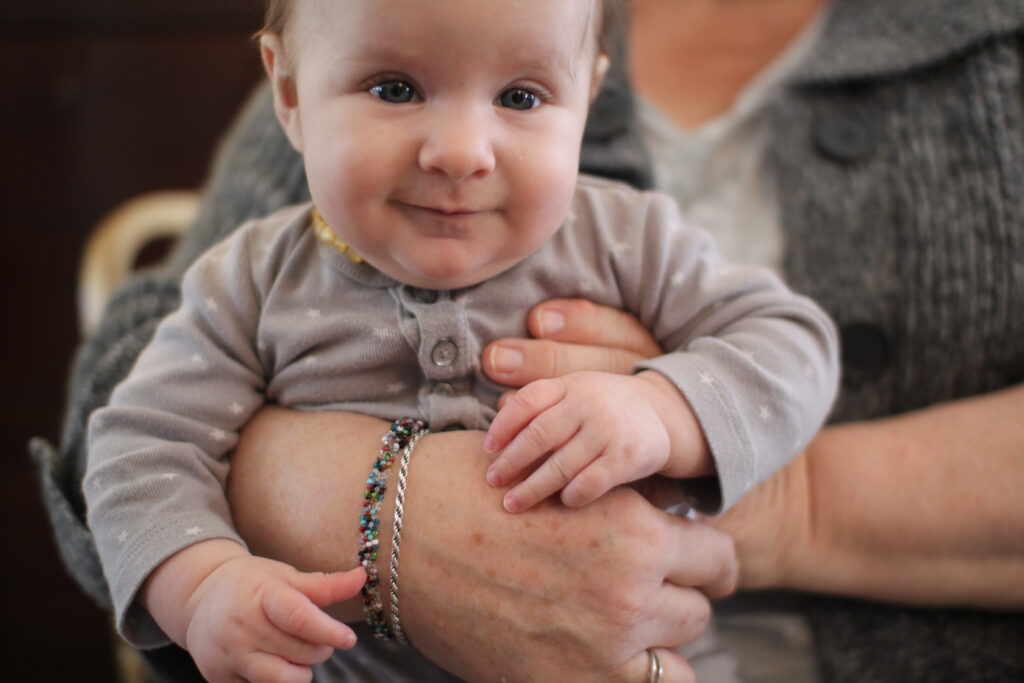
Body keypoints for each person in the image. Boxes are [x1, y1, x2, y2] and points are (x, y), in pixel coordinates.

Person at [32, 0, 1024, 681]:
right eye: (392, 87)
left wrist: (665, 405)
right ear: (286, 89)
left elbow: (784, 338)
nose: (459, 152)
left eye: (519, 99)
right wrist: (199, 579)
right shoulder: (249, 278)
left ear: (587, 95)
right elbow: (133, 438)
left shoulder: (622, 234)